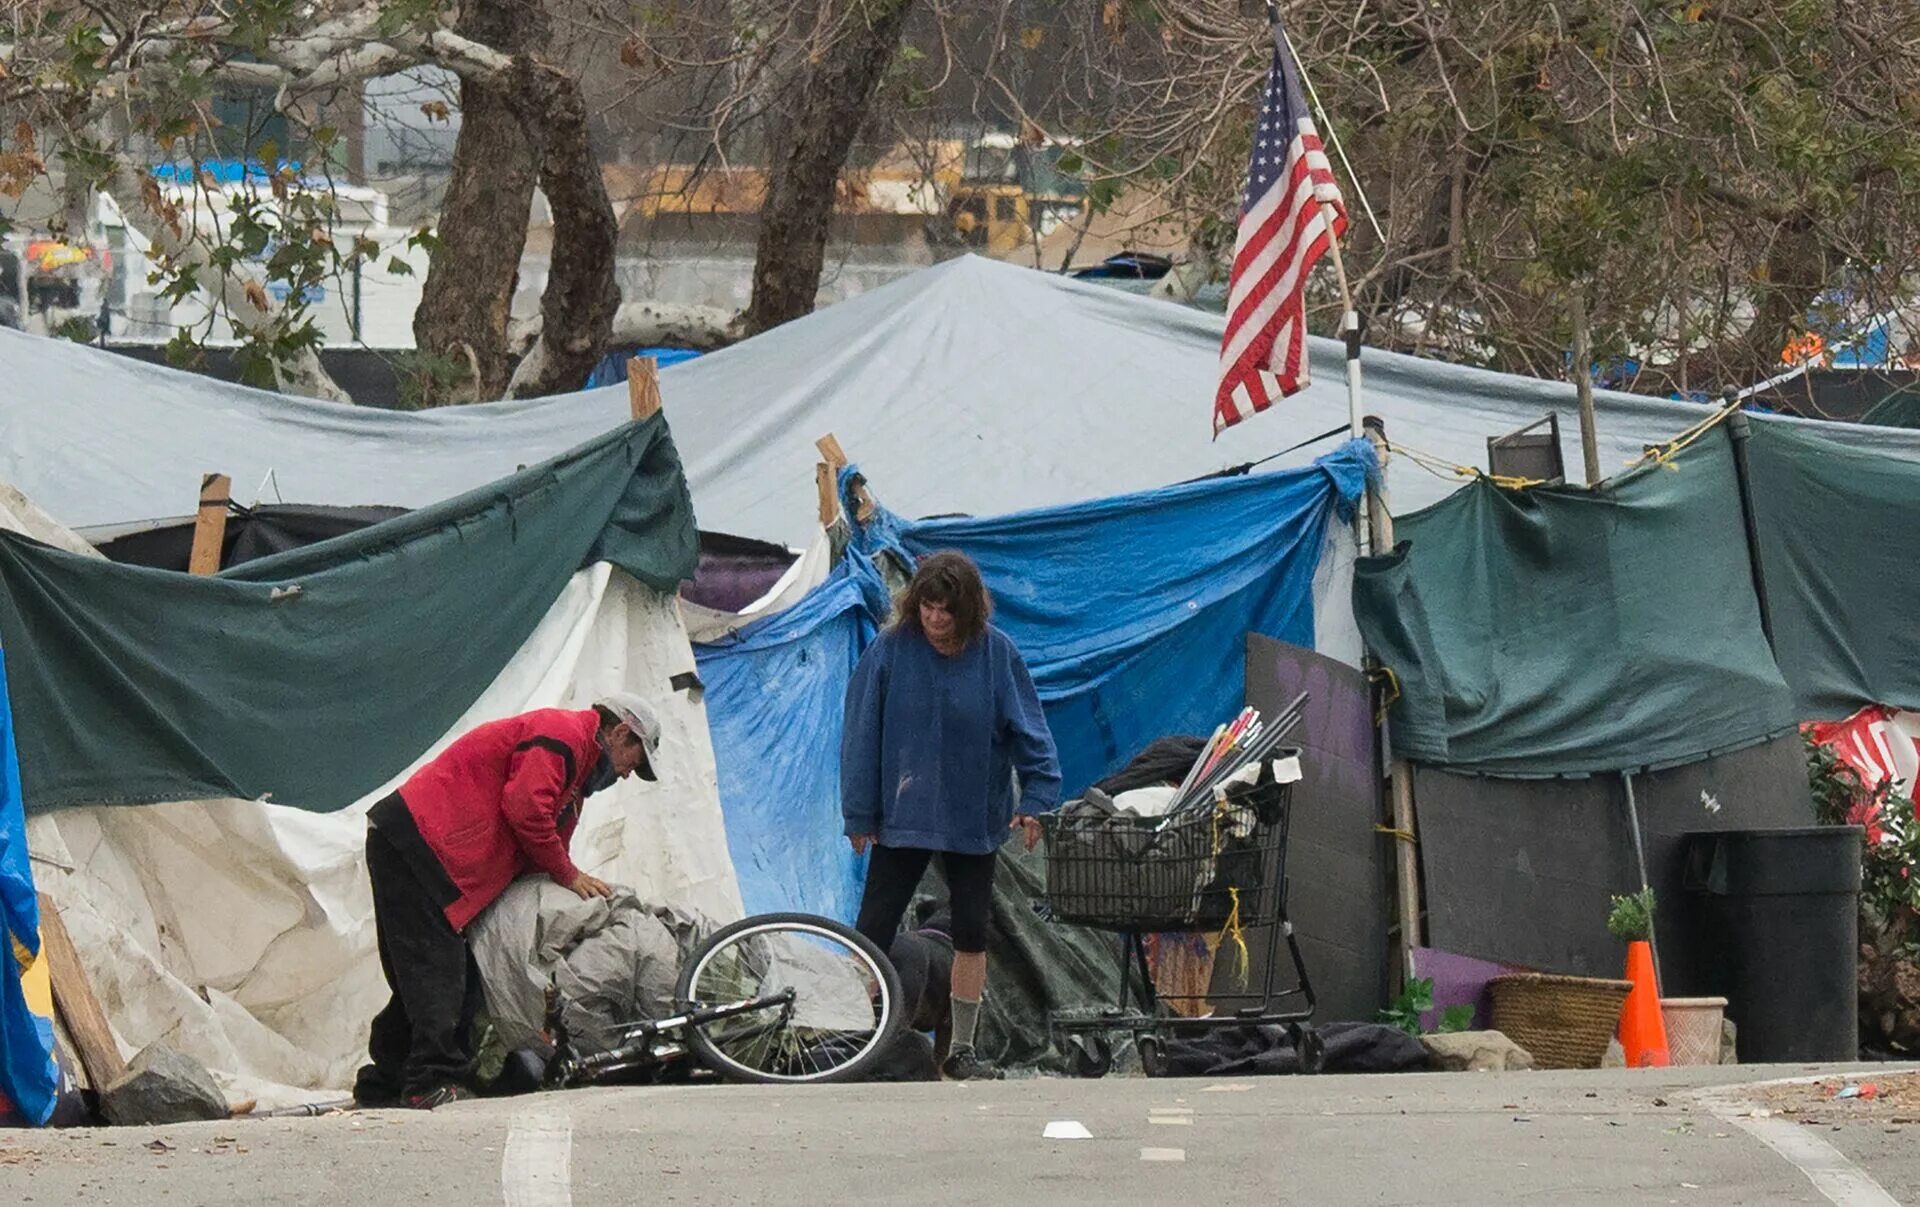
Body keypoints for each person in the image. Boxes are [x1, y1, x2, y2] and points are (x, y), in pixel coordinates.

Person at [353, 692, 663, 1109]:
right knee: (438, 971)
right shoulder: (564, 734)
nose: (627, 774)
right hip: (420, 844)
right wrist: (569, 875)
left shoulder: (575, 785)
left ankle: (383, 1083)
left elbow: (542, 855)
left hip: (441, 859)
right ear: (621, 732)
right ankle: (429, 1082)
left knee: (439, 975)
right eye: (634, 760)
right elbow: (525, 809)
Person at [842, 551, 1061, 1081]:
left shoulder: (996, 655)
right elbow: (860, 732)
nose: (935, 620)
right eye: (927, 607)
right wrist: (858, 812)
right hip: (903, 811)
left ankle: (960, 1049)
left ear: (968, 612)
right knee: (871, 928)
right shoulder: (891, 651)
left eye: (946, 610)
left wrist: (1037, 797)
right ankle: (848, 1036)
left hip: (973, 816)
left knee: (971, 932)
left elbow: (1030, 730)